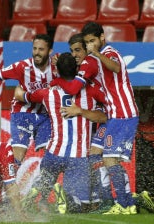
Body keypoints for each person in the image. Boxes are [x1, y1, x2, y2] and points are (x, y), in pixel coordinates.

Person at [50, 22, 141, 215]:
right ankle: (119, 200)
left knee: (109, 158)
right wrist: (60, 68)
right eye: (85, 44)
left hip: (118, 114)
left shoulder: (106, 54)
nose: (76, 53)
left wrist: (58, 79)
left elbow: (114, 69)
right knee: (97, 155)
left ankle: (124, 202)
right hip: (112, 114)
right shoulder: (89, 63)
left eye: (90, 43)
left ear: (101, 38)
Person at [15, 53, 107, 214]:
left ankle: (37, 192)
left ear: (57, 70)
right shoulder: (91, 92)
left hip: (53, 153)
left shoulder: (47, 93)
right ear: (78, 69)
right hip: (77, 157)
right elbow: (104, 116)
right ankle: (66, 197)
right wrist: (82, 111)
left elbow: (22, 95)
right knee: (81, 207)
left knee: (45, 181)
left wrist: (19, 85)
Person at [0, 34, 57, 167]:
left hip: (46, 115)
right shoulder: (22, 66)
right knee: (18, 155)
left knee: (50, 152)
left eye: (41, 49)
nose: (36, 53)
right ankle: (7, 184)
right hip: (22, 112)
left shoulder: (56, 67)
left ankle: (42, 185)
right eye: (35, 48)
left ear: (49, 51)